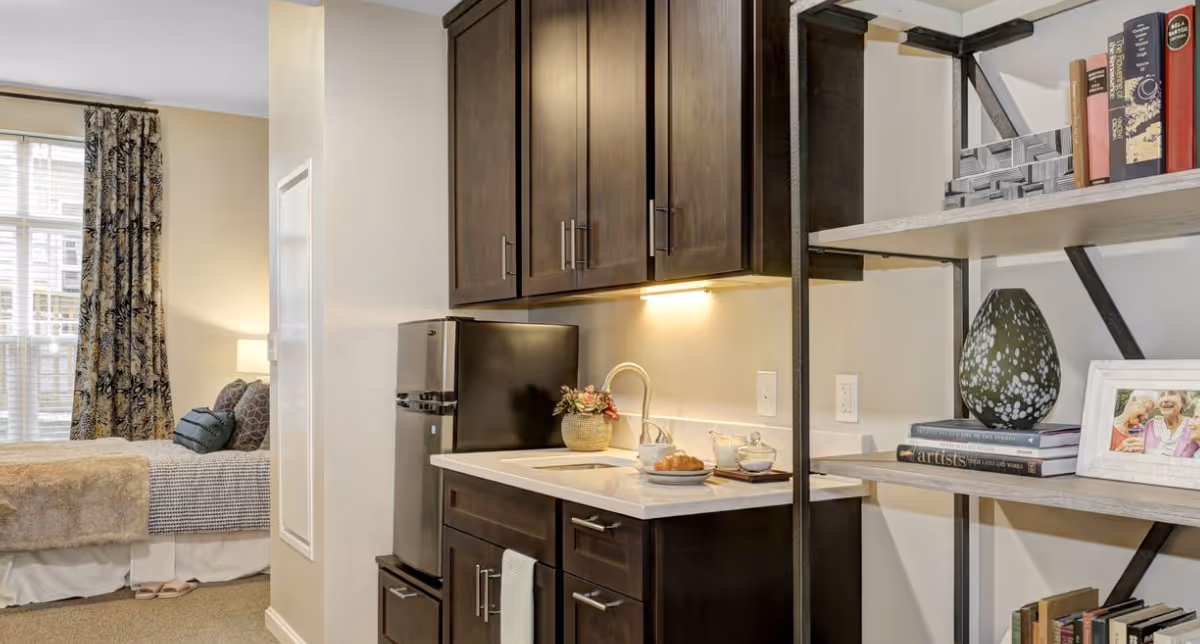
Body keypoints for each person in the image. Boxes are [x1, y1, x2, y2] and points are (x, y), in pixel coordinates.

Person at [1133, 391, 1198, 458]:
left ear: (1183, 401)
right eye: (1162, 395)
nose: (1165, 399)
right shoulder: (1150, 425)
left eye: (1171, 394)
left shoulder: (1194, 426)